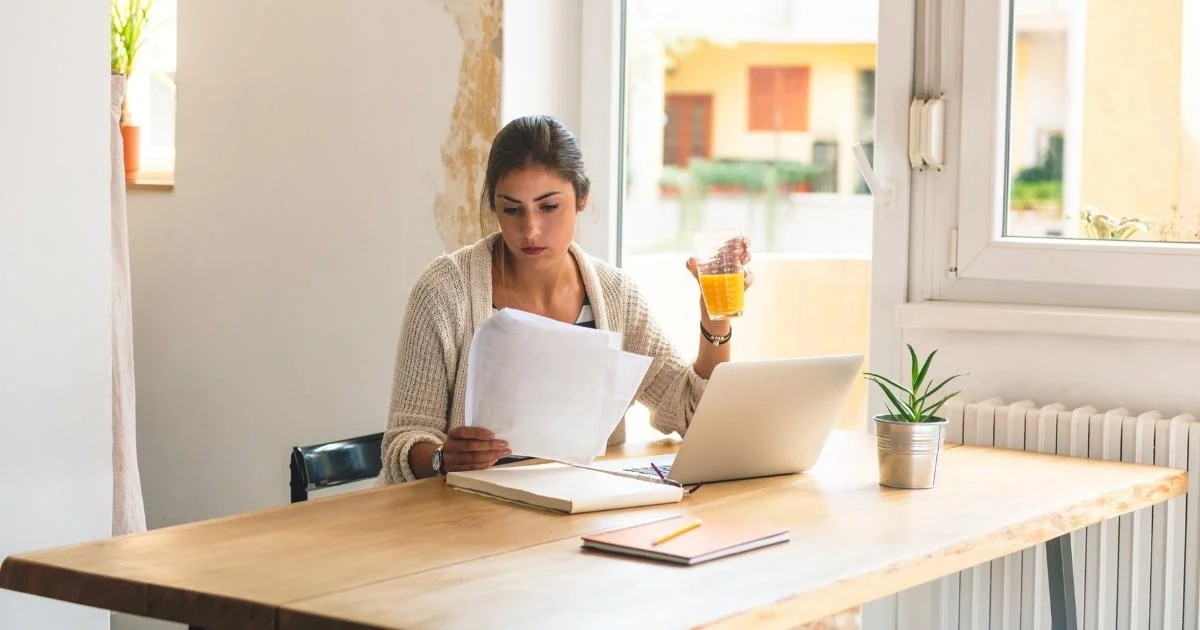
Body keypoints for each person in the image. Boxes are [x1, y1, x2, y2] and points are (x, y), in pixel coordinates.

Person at [378, 114, 752, 483]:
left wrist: (715, 317)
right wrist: (444, 458)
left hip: (574, 518)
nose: (530, 230)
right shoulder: (444, 291)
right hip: (462, 521)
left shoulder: (614, 295)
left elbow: (694, 414)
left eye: (549, 206)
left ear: (582, 198)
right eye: (511, 209)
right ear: (494, 206)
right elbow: (403, 443)